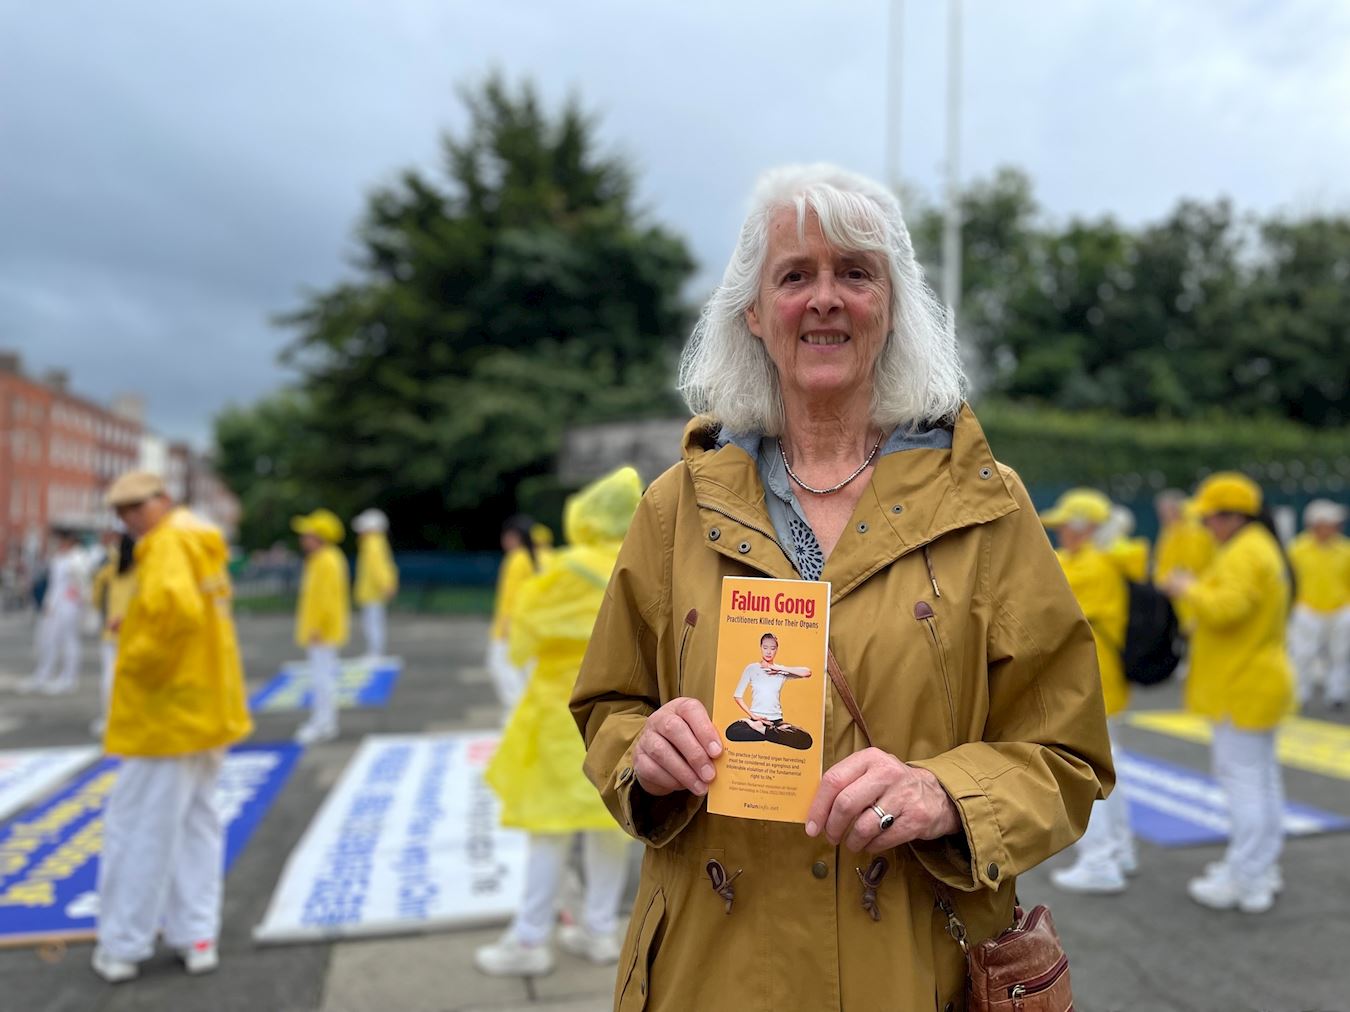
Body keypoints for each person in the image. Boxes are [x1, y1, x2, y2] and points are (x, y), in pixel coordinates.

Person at [569, 165, 1114, 1010]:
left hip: (914, 970)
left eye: (855, 273)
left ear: (890, 306)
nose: (825, 298)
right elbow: (610, 703)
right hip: (711, 973)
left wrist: (949, 794)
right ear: (754, 313)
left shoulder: (986, 505)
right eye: (795, 275)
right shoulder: (675, 507)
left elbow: (1067, 753)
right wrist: (642, 753)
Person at [476, 468, 642, 978]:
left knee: (550, 829)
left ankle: (530, 939)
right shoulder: (646, 559)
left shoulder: (564, 570)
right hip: (624, 717)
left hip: (559, 714)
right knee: (608, 828)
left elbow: (521, 638)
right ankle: (599, 931)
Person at [91, 471, 253, 983]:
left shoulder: (166, 545)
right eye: (123, 511)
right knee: (197, 822)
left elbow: (175, 614)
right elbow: (192, 613)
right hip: (207, 705)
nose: (130, 518)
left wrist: (134, 654)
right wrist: (141, 622)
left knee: (140, 827)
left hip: (168, 713)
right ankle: (197, 934)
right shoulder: (200, 540)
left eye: (136, 507)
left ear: (162, 500)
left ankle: (124, 944)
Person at [1161, 472, 1293, 913]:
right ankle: (1259, 867)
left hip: (1242, 684)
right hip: (1255, 680)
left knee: (1245, 785)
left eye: (1210, 518)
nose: (1205, 526)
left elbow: (1226, 609)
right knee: (1262, 780)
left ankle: (1248, 878)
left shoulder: (1245, 552)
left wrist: (1188, 588)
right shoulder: (1256, 546)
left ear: (1232, 517)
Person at [1040, 489, 1136, 895]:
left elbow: (1047, 603)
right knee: (1109, 767)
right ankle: (1119, 851)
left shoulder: (1091, 565)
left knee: (1085, 772)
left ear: (1085, 528)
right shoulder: (1095, 560)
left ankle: (1100, 862)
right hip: (1102, 679)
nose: (1060, 532)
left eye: (1066, 525)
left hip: (1089, 680)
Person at [292, 509, 350, 745]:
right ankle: (323, 721)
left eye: (307, 534)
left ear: (319, 537)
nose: (303, 539)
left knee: (322, 678)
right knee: (321, 677)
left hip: (322, 632)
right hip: (321, 630)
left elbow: (326, 600)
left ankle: (324, 723)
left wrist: (317, 627)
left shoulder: (326, 561)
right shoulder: (323, 559)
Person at [1286, 499, 1349, 709]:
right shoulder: (1297, 549)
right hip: (1307, 608)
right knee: (1302, 654)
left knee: (1340, 654)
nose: (1335, 528)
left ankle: (1337, 694)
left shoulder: (1345, 549)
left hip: (1340, 608)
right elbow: (1290, 580)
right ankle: (1299, 694)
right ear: (1316, 525)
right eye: (1330, 524)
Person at [486, 515, 551, 713]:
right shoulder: (548, 557)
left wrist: (504, 627)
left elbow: (510, 597)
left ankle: (517, 714)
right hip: (538, 629)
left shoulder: (517, 559)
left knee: (504, 671)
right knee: (529, 675)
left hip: (512, 628)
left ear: (514, 536)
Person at [21, 527, 86, 694]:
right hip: (55, 605)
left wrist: (77, 599)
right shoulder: (58, 558)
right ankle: (44, 674)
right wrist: (49, 603)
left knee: (69, 641)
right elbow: (54, 584)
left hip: (69, 605)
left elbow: (81, 583)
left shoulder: (77, 558)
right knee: (48, 640)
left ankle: (69, 677)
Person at [724, 632, 814, 749]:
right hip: (756, 720)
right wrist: (752, 718)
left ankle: (763, 730)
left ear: (777, 649)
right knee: (731, 732)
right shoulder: (752, 668)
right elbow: (737, 696)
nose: (768, 652)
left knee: (806, 740)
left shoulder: (781, 671)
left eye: (772, 648)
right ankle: (773, 733)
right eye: (765, 648)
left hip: (776, 722)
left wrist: (778, 668)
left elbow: (807, 672)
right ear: (760, 647)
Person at [89, 529, 137, 736]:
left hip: (112, 627)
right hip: (136, 628)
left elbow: (96, 593)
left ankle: (110, 720)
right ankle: (132, 719)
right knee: (134, 678)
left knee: (109, 676)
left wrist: (100, 610)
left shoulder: (110, 566)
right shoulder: (144, 566)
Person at [1153, 489, 1216, 632]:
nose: (1161, 516)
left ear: (1176, 510)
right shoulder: (1172, 531)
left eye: (1163, 512)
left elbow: (1191, 569)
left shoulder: (1192, 532)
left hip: (1193, 605)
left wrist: (1165, 581)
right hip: (1182, 600)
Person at [351, 508, 398, 661]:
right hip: (374, 591)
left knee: (372, 623)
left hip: (373, 592)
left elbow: (378, 567)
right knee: (375, 622)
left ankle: (375, 654)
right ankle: (375, 652)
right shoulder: (377, 542)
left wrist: (385, 585)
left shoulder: (372, 543)